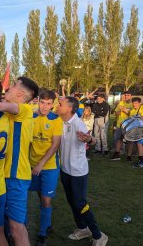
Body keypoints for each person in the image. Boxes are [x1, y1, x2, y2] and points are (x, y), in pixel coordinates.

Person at [0, 76, 39, 246]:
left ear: (19, 93)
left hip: (15, 176)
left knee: (16, 227)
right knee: (4, 228)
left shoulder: (24, 110)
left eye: (12, 86)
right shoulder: (12, 112)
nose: (7, 88)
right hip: (6, 175)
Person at [56, 97, 108, 246]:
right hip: (65, 169)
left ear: (70, 108)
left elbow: (93, 140)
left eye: (61, 104)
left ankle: (98, 235)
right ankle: (82, 228)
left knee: (80, 203)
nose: (57, 106)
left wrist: (88, 139)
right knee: (72, 202)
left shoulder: (78, 123)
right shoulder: (61, 121)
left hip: (78, 171)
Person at [29, 90, 62, 246]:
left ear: (53, 104)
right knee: (40, 196)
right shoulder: (31, 117)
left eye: (49, 104)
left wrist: (41, 164)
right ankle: (47, 223)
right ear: (38, 101)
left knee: (46, 200)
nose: (45, 107)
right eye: (43, 102)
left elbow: (55, 145)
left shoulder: (56, 120)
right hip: (31, 166)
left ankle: (42, 235)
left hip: (48, 166)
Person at [112, 91, 132, 160]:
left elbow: (132, 114)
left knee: (130, 141)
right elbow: (116, 113)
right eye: (125, 95)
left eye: (128, 95)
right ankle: (117, 154)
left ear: (131, 96)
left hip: (129, 126)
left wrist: (124, 110)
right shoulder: (121, 103)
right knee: (118, 140)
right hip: (119, 124)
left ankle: (129, 156)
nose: (126, 96)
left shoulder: (133, 104)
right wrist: (120, 111)